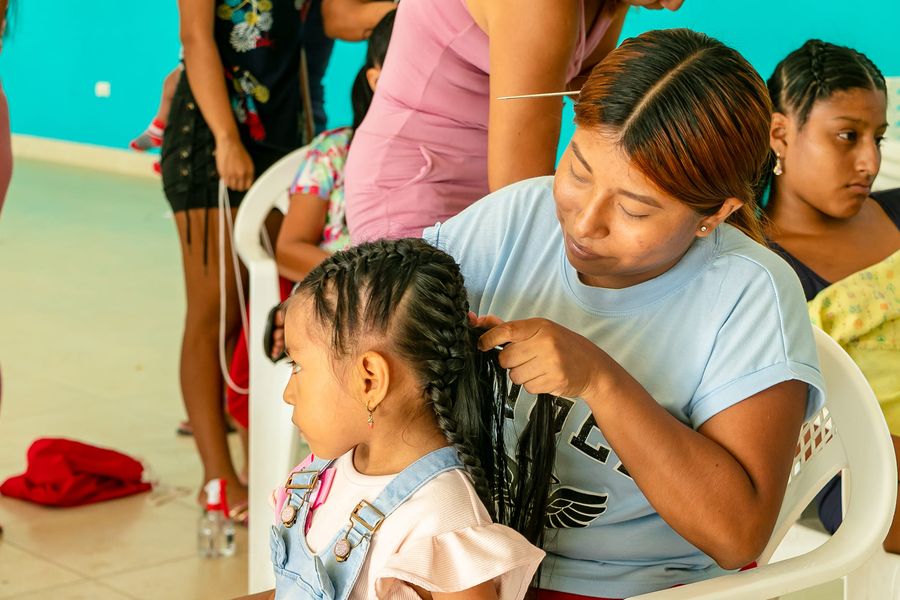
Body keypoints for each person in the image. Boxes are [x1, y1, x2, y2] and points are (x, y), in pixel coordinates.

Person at [422, 29, 826, 598]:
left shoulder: (749, 294)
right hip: (475, 562)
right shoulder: (515, 217)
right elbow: (380, 321)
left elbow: (738, 536)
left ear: (715, 212)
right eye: (578, 171)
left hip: (633, 587)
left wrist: (599, 379)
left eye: (634, 209)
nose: (585, 222)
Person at [240, 238, 549, 600]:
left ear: (369, 380)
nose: (288, 393)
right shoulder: (325, 472)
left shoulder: (439, 522)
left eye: (298, 366)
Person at [162, 0, 336, 515]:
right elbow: (196, 38)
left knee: (261, 309)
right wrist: (224, 138)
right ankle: (216, 477)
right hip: (216, 139)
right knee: (214, 311)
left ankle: (256, 466)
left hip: (286, 138)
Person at [343, 0, 685, 243]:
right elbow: (520, 194)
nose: (675, 5)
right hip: (416, 186)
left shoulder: (611, 2)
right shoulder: (536, 4)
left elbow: (593, 89)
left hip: (487, 189)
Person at [225, 9, 397, 430]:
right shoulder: (335, 152)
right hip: (345, 296)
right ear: (375, 79)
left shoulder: (450, 165)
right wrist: (360, 282)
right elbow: (289, 248)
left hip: (399, 306)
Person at [762, 39, 900, 552]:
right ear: (780, 134)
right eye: (847, 136)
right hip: (859, 466)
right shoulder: (759, 269)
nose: (870, 161)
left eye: (878, 138)